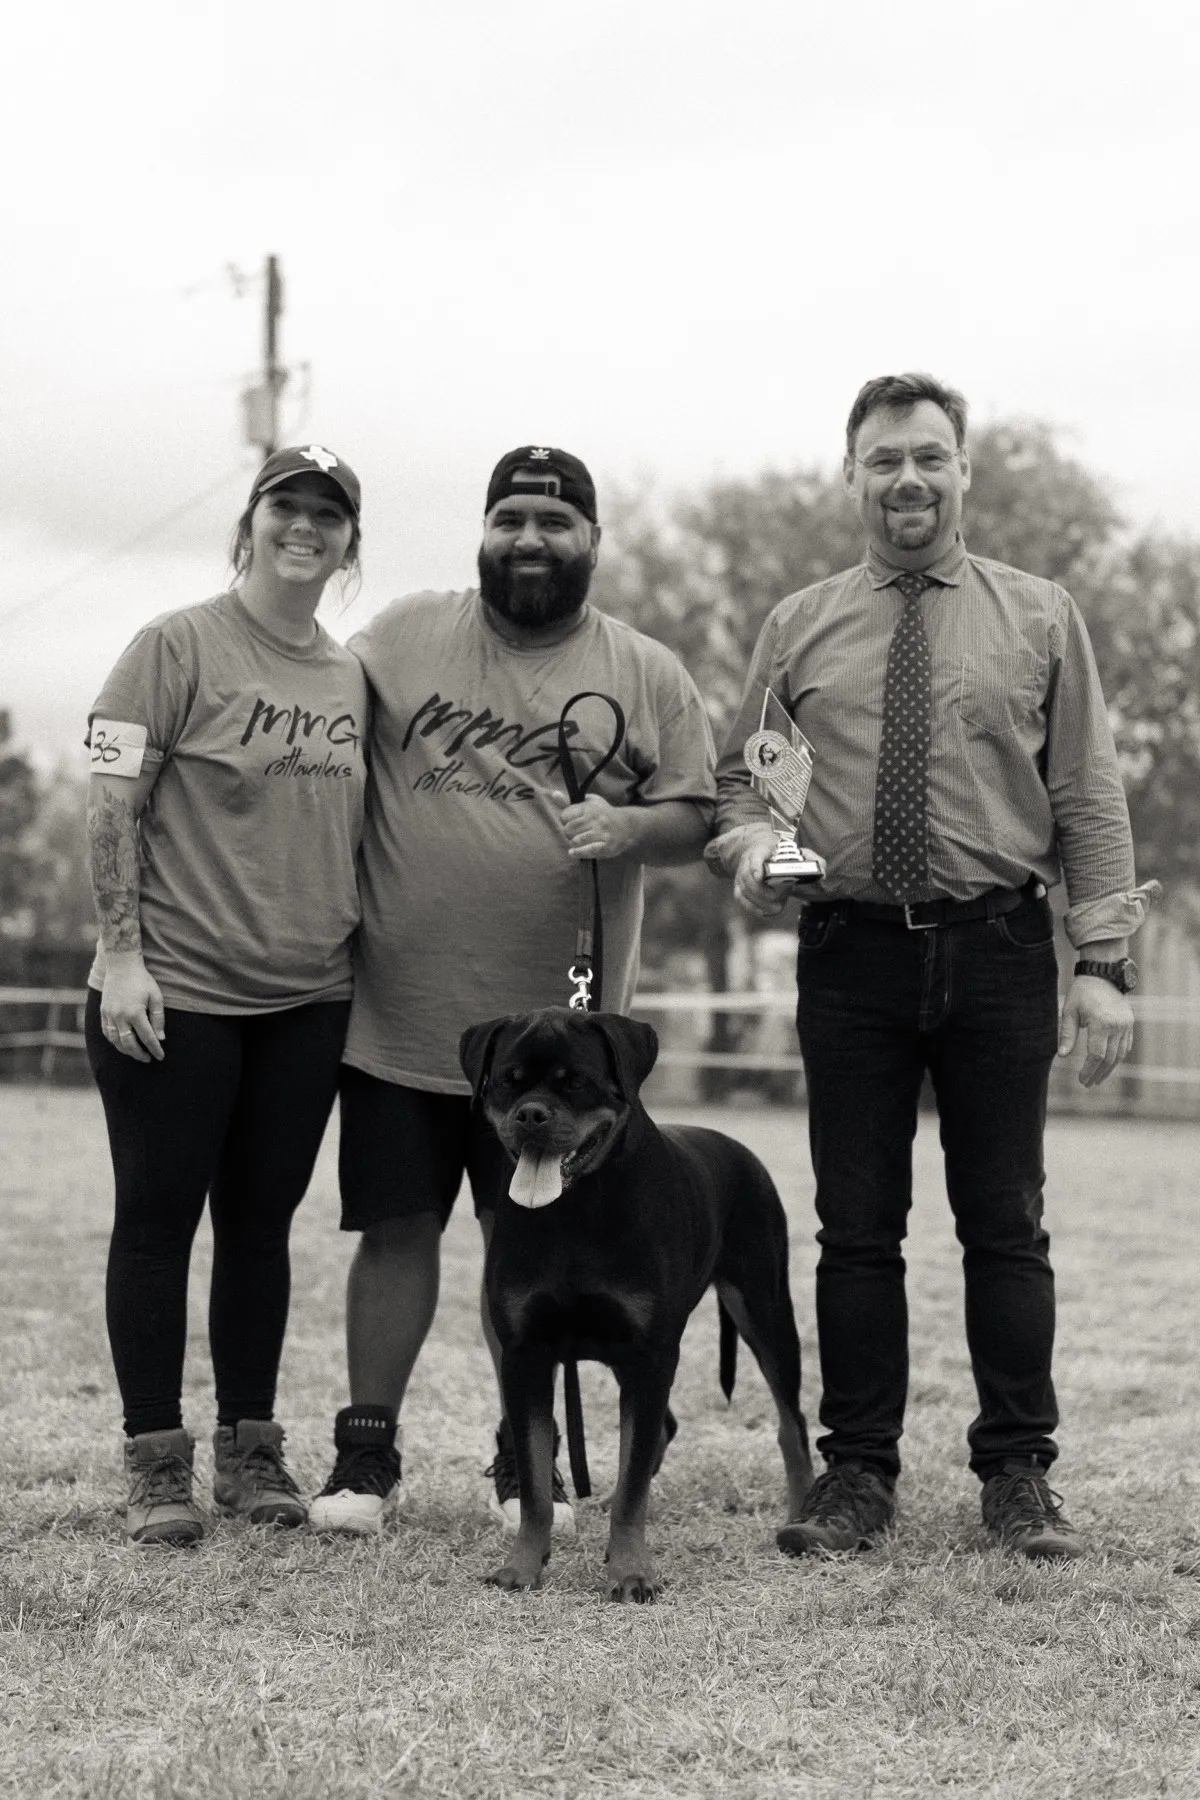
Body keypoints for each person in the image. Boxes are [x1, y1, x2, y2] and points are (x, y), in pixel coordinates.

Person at [707, 373, 1157, 1561]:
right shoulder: (799, 626)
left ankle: (1018, 1473)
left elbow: (1087, 792)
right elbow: (749, 782)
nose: (907, 479)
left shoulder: (1041, 616)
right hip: (848, 954)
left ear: (964, 471)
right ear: (850, 476)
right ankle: (857, 1472)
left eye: (928, 456)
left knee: (1006, 1224)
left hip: (999, 947)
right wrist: (753, 848)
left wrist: (1102, 961)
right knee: (856, 1229)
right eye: (883, 460)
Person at [308, 445, 716, 1535]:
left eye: (555, 522)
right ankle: (364, 1460)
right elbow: (312, 713)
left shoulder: (645, 670)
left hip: (560, 1051)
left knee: (528, 1246)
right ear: (483, 532)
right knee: (395, 1231)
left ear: (594, 540)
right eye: (510, 520)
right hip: (401, 1017)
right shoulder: (400, 636)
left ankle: (516, 1460)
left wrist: (629, 826)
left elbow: (698, 816)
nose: (530, 539)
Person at [85, 445, 369, 1546]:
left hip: (308, 999)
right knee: (159, 1225)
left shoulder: (350, 676)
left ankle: (253, 1452)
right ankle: (157, 1460)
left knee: (260, 1229)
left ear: (350, 543)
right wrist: (122, 954)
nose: (305, 526)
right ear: (248, 524)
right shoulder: (174, 646)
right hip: (179, 992)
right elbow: (112, 803)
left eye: (328, 514)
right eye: (285, 505)